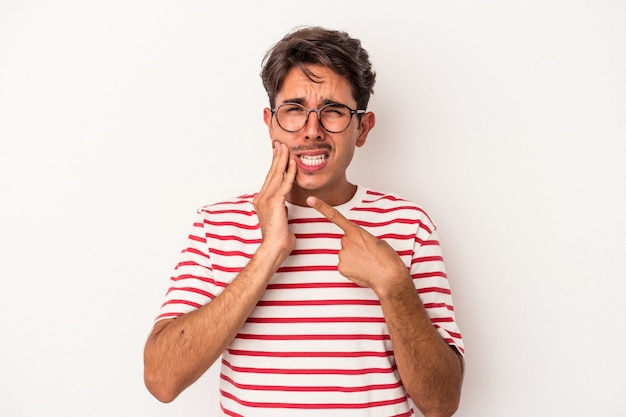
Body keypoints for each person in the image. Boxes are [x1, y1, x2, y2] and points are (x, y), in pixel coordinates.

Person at [143, 26, 464, 417]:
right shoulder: (216, 225)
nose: (312, 131)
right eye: (294, 110)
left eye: (333, 111)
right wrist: (268, 254)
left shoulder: (409, 224)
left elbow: (442, 403)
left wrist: (393, 286)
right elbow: (161, 379)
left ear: (362, 128)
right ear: (271, 123)